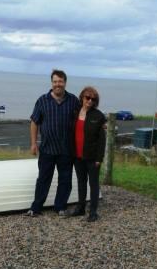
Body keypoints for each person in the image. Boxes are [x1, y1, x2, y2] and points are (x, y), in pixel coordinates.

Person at [26, 69, 80, 217]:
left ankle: (60, 207)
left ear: (65, 83)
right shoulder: (42, 100)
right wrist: (33, 143)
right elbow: (34, 122)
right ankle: (36, 208)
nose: (58, 84)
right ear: (52, 82)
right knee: (43, 179)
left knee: (65, 180)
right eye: (55, 81)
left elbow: (83, 116)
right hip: (47, 149)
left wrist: (100, 122)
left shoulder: (73, 100)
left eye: (60, 81)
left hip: (66, 149)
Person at [69, 86, 106, 222]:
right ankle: (81, 208)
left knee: (94, 184)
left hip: (92, 158)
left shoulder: (98, 116)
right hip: (77, 156)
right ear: (82, 98)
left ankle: (93, 212)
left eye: (93, 99)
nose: (90, 101)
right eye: (87, 98)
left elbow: (102, 140)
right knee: (81, 182)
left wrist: (99, 158)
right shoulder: (75, 112)